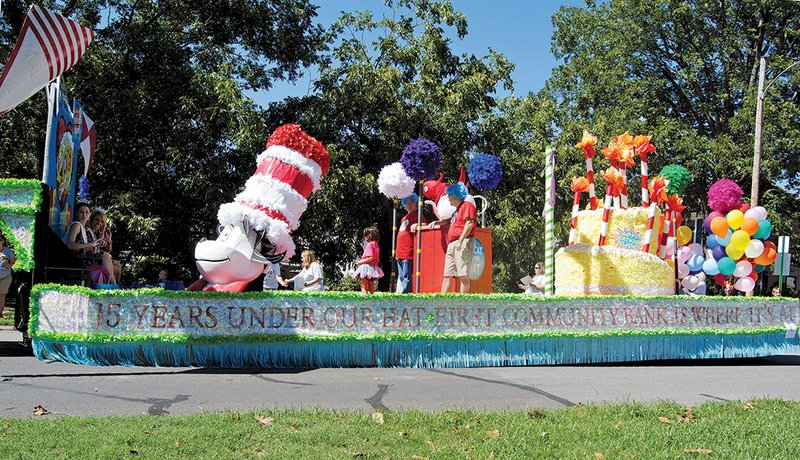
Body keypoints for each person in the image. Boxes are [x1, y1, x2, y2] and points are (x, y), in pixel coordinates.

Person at [428, 182, 476, 293]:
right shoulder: (457, 210)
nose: (448, 199)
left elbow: (469, 223)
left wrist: (461, 240)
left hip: (462, 241)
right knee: (447, 275)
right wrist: (437, 222)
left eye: (449, 196)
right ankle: (442, 300)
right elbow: (449, 221)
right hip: (452, 243)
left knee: (463, 275)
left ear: (455, 195)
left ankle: (463, 303)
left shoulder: (467, 205)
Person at [67, 202, 116, 285]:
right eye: (81, 212)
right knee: (105, 255)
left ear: (89, 214)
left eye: (86, 212)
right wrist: (91, 244)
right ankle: (112, 284)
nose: (84, 215)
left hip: (88, 258)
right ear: (76, 214)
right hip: (78, 260)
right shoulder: (76, 225)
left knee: (110, 259)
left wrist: (99, 244)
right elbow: (70, 245)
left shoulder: (86, 229)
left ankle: (112, 282)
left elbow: (91, 246)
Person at [395, 194, 426, 293]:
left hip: (408, 251)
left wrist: (418, 224)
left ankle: (406, 297)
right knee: (401, 276)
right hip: (400, 251)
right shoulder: (404, 218)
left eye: (411, 203)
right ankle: (404, 294)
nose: (408, 205)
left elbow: (425, 225)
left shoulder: (419, 215)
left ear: (416, 204)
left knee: (406, 276)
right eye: (407, 203)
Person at [89, 208, 123, 283]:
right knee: (107, 256)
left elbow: (108, 250)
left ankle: (116, 285)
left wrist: (109, 241)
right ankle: (112, 281)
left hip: (98, 258)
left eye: (101, 222)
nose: (98, 223)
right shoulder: (88, 231)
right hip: (90, 258)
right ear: (91, 219)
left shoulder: (98, 233)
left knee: (117, 264)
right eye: (96, 220)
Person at [353, 226, 384, 294]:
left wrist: (360, 261)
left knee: (363, 286)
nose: (365, 237)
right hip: (373, 268)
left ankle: (365, 302)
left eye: (366, 235)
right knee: (371, 286)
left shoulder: (370, 245)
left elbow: (371, 258)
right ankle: (372, 301)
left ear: (370, 235)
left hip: (366, 268)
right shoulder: (376, 244)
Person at [0, 233, 16, 319]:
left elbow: (12, 264)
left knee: (2, 295)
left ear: (2, 242)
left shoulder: (8, 251)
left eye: (0, 241)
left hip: (5, 276)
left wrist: (7, 261)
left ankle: (0, 313)